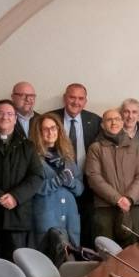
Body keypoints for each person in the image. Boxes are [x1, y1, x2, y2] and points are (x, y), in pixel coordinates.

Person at [0, 99, 44, 259]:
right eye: (0, 113)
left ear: (15, 119)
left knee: (17, 266)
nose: (5, 117)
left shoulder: (28, 146)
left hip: (18, 215)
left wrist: (15, 196)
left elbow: (36, 176)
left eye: (9, 114)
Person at [85, 108, 139, 247]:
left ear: (122, 122)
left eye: (117, 119)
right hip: (105, 209)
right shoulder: (95, 148)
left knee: (133, 253)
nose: (114, 122)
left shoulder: (134, 146)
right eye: (109, 119)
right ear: (102, 125)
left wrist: (129, 198)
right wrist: (117, 199)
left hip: (132, 207)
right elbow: (94, 178)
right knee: (107, 253)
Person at [50, 83, 101, 246]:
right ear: (65, 98)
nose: (76, 102)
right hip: (58, 185)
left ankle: (83, 262)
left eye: (80, 98)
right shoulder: (51, 118)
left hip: (88, 183)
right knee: (59, 231)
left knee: (87, 228)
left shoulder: (94, 121)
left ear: (85, 101)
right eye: (72, 97)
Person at [30, 113, 84, 246]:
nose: (50, 132)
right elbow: (32, 187)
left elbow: (80, 189)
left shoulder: (67, 156)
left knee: (70, 263)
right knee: (48, 259)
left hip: (70, 219)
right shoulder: (33, 157)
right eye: (46, 129)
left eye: (53, 128)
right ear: (39, 133)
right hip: (47, 218)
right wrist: (57, 181)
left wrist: (71, 182)